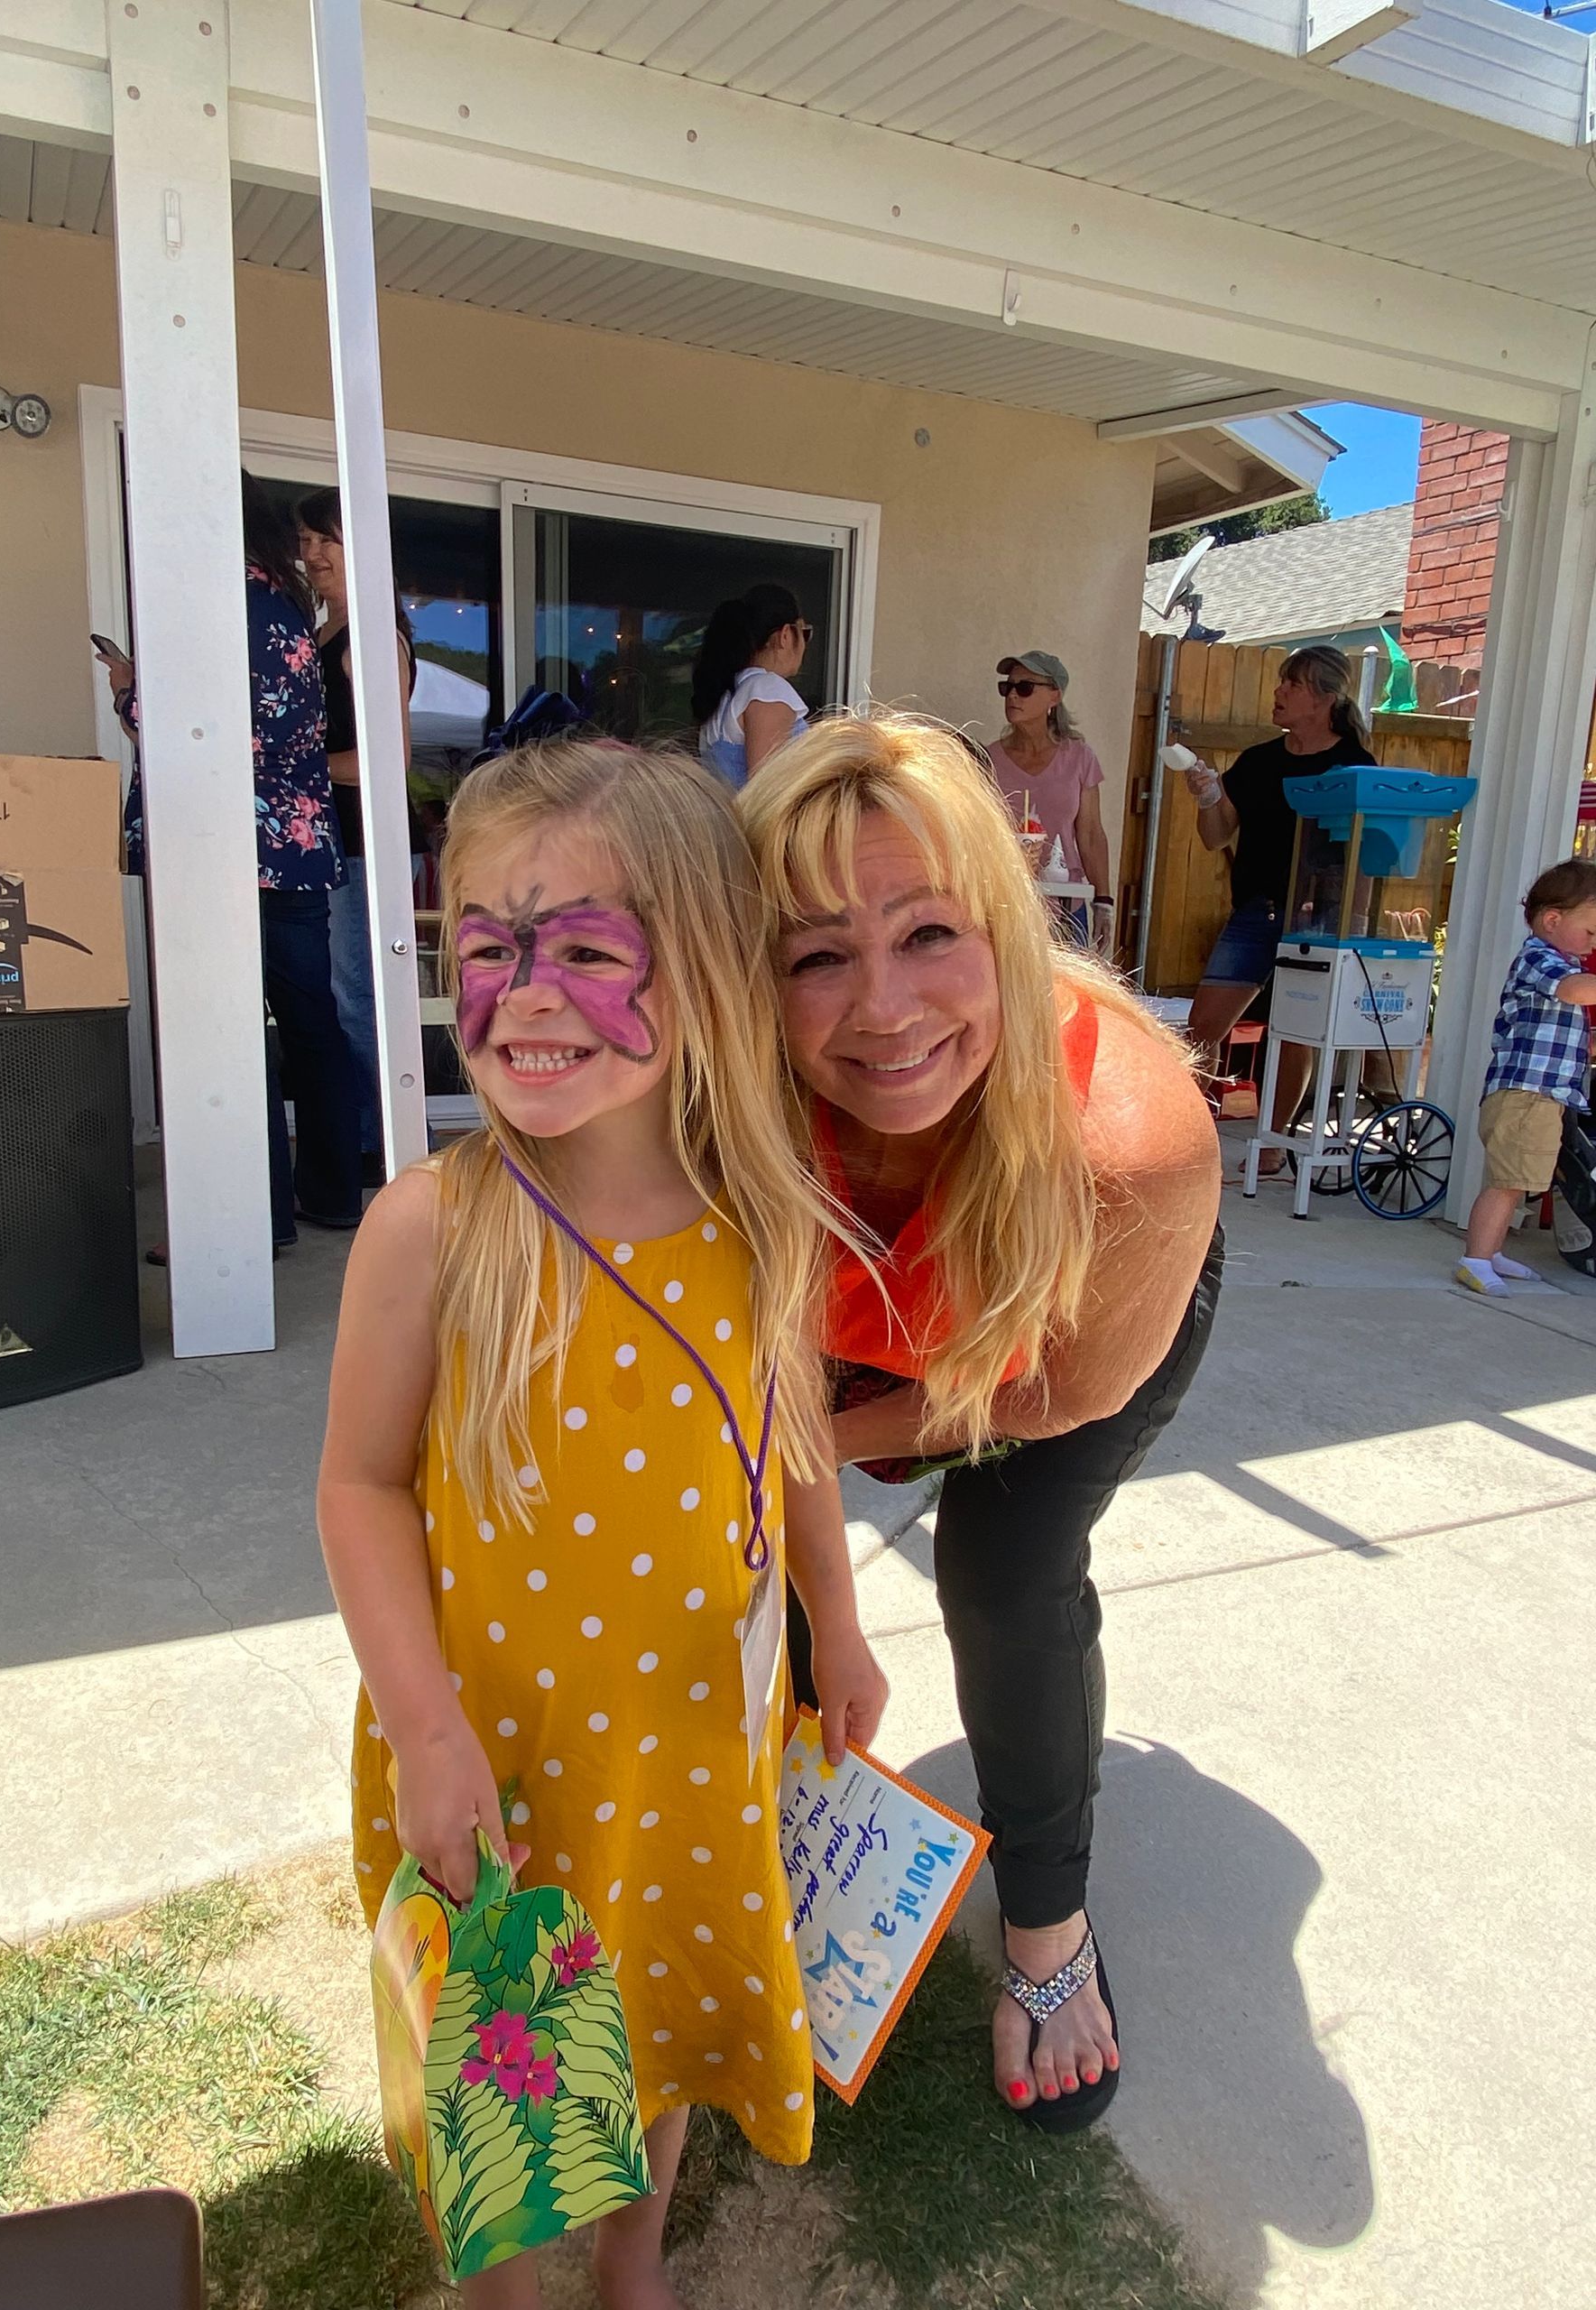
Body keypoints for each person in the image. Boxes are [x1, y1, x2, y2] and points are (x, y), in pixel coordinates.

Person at [318, 739, 888, 2308]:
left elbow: (796, 1447)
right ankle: (515, 2288)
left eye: (584, 947)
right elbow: (357, 1486)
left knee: (658, 2020)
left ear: (701, 970)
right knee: (512, 2070)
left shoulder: (758, 1217)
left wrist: (838, 1622)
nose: (528, 994)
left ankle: (634, 2261)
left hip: (700, 1743)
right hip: (492, 1754)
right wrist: (424, 1729)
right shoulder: (430, 1230)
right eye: (487, 948)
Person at [738, 716, 1222, 2132]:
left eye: (929, 933)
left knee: (1002, 1573)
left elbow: (1064, 1389)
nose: (882, 1010)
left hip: (1078, 1327)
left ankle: (1051, 1935)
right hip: (862, 1324)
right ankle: (773, 1846)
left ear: (1007, 929)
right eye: (816, 952)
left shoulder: (1134, 1138)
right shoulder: (725, 1105)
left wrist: (815, 1437)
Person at [99, 472, 361, 1252]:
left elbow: (196, 734)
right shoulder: (282, 608)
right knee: (308, 1022)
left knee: (228, 1033)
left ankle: (249, 1219)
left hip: (226, 848)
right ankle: (332, 1193)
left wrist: (128, 692)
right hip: (296, 846)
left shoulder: (216, 607)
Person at [1183, 645, 1375, 1171]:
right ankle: (1189, 1141)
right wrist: (1206, 796)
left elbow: (1363, 856)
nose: (1279, 693)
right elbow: (1215, 836)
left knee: (1294, 1032)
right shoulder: (1259, 762)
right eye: (1282, 683)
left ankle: (1273, 1146)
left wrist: (1351, 923)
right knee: (1203, 1027)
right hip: (1256, 912)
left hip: (1318, 918)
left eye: (1292, 684)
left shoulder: (1353, 766)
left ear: (1324, 699)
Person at [294, 488, 420, 1182]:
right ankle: (369, 1138)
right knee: (342, 996)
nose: (313, 554)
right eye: (307, 541)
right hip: (326, 844)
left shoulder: (372, 635)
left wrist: (294, 769)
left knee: (357, 997)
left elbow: (386, 759)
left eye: (328, 540)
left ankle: (391, 1143)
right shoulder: (324, 631)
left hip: (357, 841)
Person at [1456, 857, 1596, 1297]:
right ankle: (1475, 1259)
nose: (1594, 942)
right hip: (1524, 1094)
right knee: (1507, 1182)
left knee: (1513, 1179)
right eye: (1592, 931)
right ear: (1552, 919)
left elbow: (1567, 1031)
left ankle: (1490, 1251)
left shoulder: (1562, 962)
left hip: (1541, 1095)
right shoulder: (1540, 958)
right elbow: (1573, 990)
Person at [990, 650, 1112, 954]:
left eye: (1025, 687)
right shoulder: (990, 759)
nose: (1013, 696)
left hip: (1065, 904)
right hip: (1007, 903)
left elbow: (1091, 833)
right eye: (1008, 687)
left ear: (1054, 696)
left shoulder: (1079, 757)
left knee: (1067, 997)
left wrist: (1104, 900)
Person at [691, 584, 812, 787]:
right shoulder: (768, 690)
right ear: (785, 635)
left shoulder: (727, 694)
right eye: (804, 633)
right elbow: (768, 790)